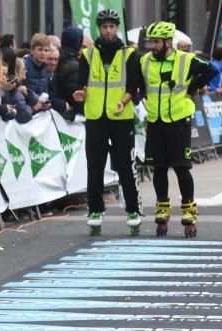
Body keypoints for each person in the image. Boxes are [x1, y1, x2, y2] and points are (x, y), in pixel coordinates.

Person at [139, 21, 216, 237]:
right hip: (155, 121)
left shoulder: (186, 59)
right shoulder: (145, 61)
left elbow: (212, 70)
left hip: (179, 121)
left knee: (182, 168)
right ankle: (162, 208)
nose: (152, 46)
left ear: (167, 41)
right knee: (159, 168)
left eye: (156, 42)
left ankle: (189, 210)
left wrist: (193, 87)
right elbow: (137, 84)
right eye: (150, 42)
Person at [72, 8, 143, 236]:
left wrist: (123, 101)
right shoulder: (88, 55)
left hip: (120, 117)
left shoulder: (129, 55)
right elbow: (82, 83)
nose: (108, 30)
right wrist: (80, 95)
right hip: (95, 117)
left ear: (117, 28)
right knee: (95, 165)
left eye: (112, 26)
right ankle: (95, 210)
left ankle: (133, 210)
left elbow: (134, 86)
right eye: (104, 27)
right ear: (99, 29)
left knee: (124, 165)